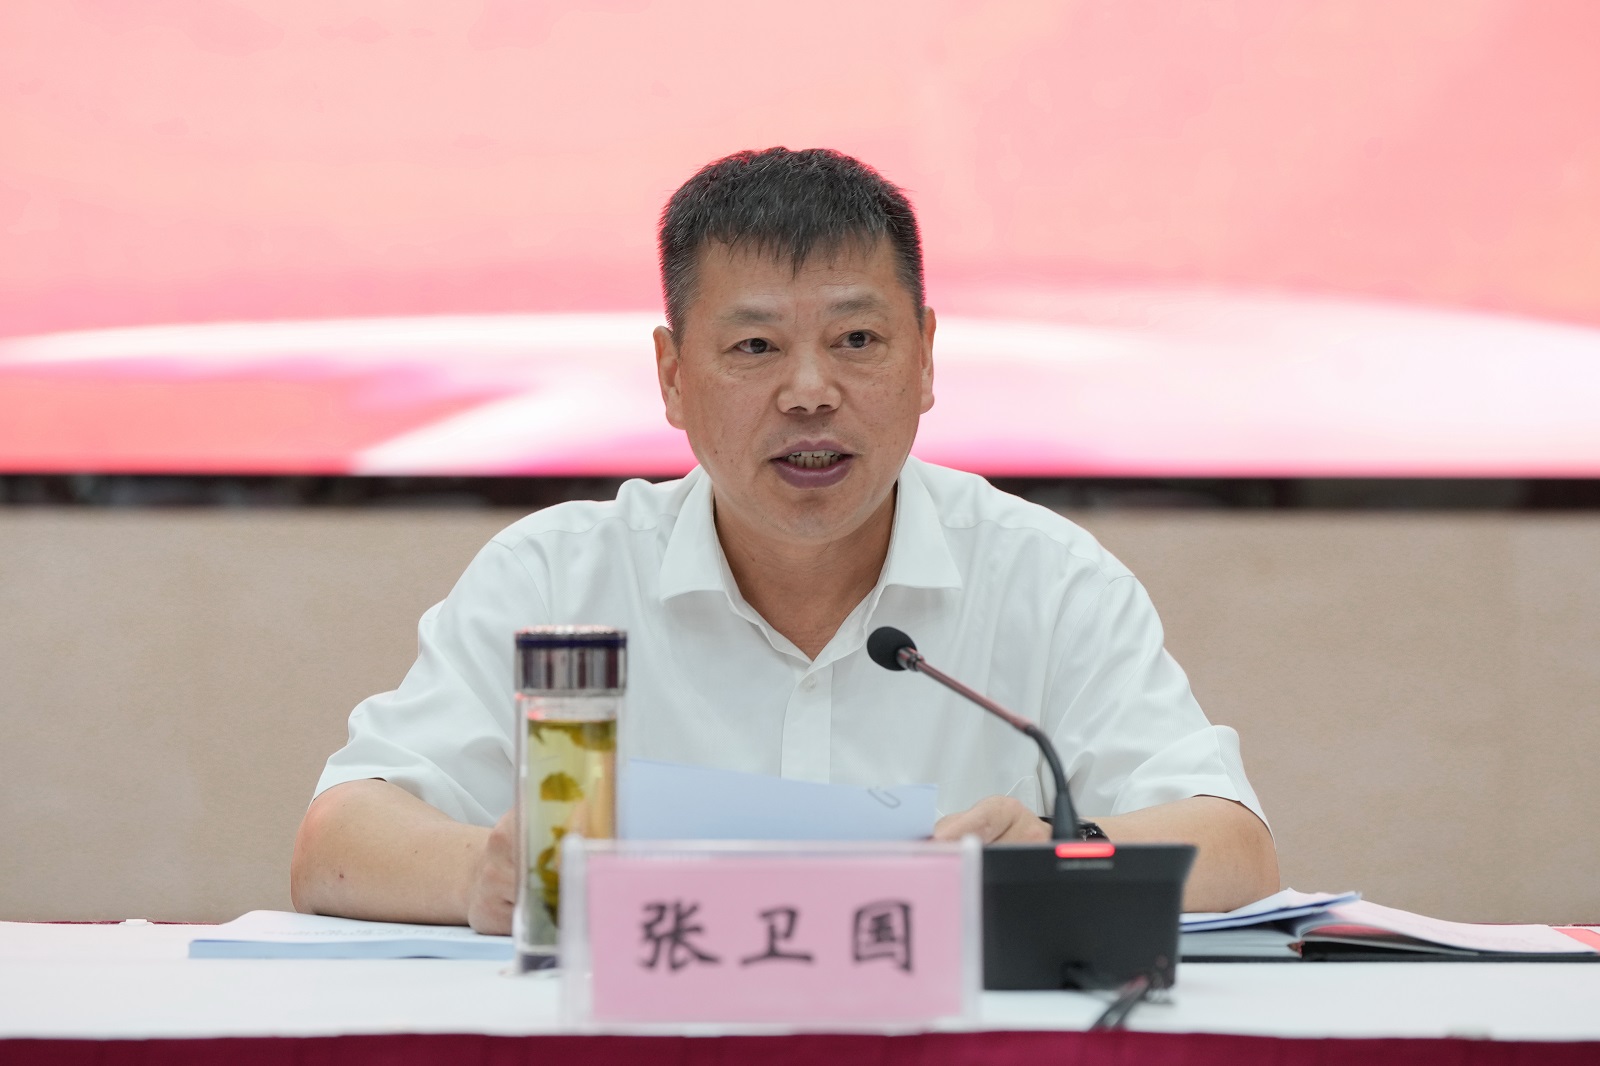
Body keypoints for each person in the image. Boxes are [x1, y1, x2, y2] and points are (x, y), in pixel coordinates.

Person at [291, 147, 1278, 933]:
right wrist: (487, 870)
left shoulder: (1045, 578)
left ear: (926, 359)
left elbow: (1234, 847)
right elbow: (337, 841)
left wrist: (1059, 854)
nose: (810, 392)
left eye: (857, 341)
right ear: (673, 376)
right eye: (755, 347)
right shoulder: (555, 577)